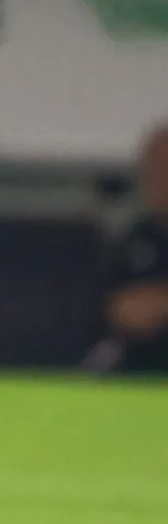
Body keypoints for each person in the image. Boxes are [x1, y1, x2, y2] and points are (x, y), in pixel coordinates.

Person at [88, 126, 168, 375]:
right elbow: (123, 311)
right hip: (138, 373)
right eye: (150, 171)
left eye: (164, 169)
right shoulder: (134, 238)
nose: (157, 180)